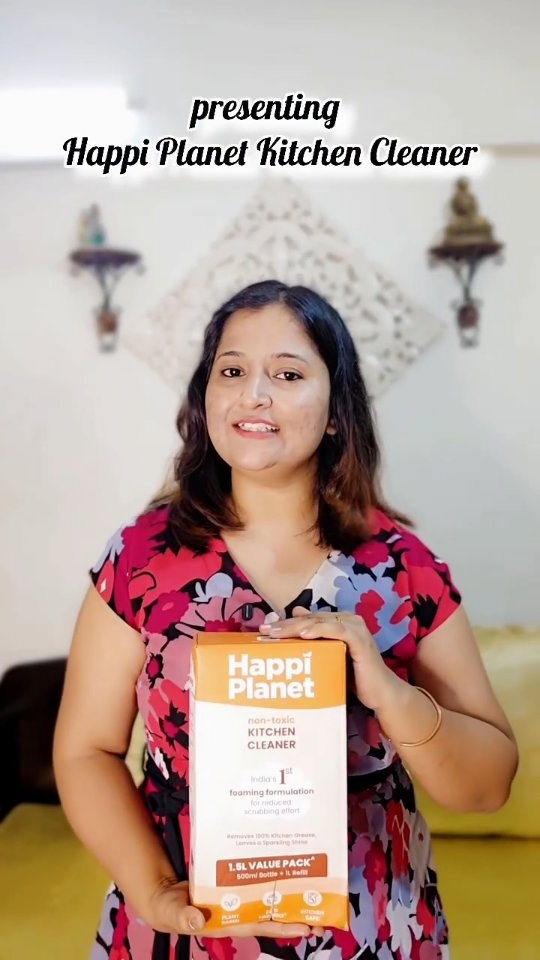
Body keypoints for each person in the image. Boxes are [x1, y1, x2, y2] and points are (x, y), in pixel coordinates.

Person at [53, 280, 518, 960]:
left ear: (335, 412)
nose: (254, 394)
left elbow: (488, 786)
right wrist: (153, 893)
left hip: (368, 926)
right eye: (232, 371)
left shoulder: (404, 568)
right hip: (185, 920)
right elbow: (85, 751)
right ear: (205, 399)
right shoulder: (141, 559)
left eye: (288, 374)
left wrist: (390, 694)